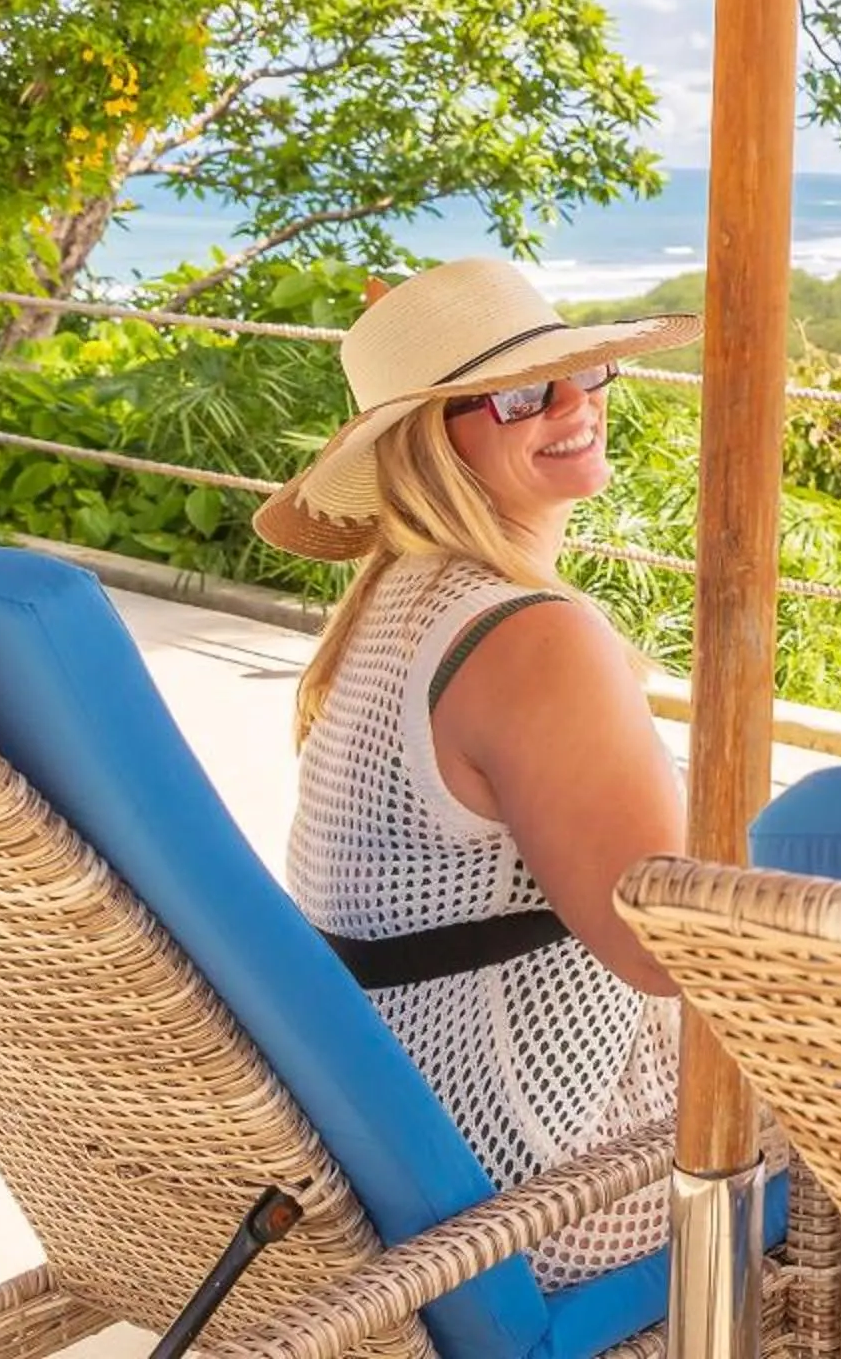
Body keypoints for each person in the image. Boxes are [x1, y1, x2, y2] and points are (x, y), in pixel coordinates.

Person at [259, 258, 697, 1287]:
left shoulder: (395, 599)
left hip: (404, 1133)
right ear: (425, 441)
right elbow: (673, 950)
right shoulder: (531, 635)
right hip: (542, 1184)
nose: (573, 404)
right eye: (518, 393)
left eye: (585, 374)